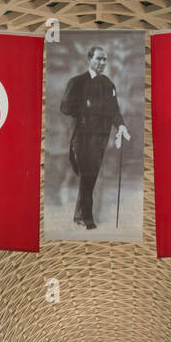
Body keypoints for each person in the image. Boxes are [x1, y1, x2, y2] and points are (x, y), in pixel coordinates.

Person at [60, 44, 130, 230]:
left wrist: (121, 126)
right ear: (89, 60)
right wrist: (87, 107)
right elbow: (65, 108)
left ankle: (79, 216)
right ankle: (88, 220)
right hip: (81, 138)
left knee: (88, 178)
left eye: (105, 59)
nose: (102, 62)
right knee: (87, 177)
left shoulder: (108, 85)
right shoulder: (76, 82)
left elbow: (115, 110)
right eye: (98, 58)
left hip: (100, 139)